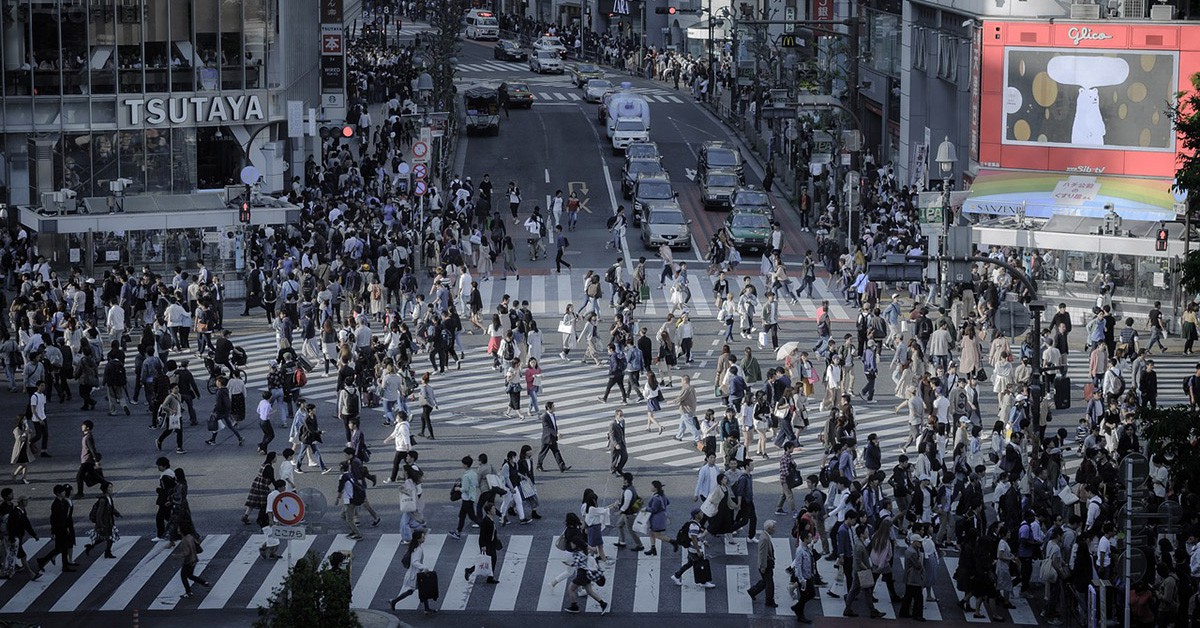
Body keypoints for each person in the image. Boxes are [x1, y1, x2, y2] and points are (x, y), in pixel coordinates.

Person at [388, 529, 437, 614]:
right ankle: (394, 601)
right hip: (415, 574)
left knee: (422, 589)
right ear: (418, 539)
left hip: (416, 573)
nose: (424, 538)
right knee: (419, 590)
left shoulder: (414, 547)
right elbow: (414, 562)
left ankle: (426, 609)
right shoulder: (418, 549)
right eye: (422, 537)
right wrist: (424, 567)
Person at [36, 484, 78, 573]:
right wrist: (54, 531)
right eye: (62, 491)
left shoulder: (62, 502)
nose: (64, 492)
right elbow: (54, 519)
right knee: (62, 547)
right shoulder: (56, 504)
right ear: (58, 493)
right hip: (60, 529)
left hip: (62, 528)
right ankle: (64, 566)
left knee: (61, 548)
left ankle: (44, 560)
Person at [671, 507, 715, 588]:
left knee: (690, 563)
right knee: (701, 564)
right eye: (700, 513)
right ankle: (703, 582)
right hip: (694, 550)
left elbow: (697, 537)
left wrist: (703, 542)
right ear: (696, 515)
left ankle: (676, 576)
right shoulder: (694, 526)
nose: (702, 514)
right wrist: (698, 551)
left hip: (692, 549)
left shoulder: (695, 524)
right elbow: (694, 539)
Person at [463, 501, 501, 584]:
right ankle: (470, 571)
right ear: (489, 511)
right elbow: (482, 535)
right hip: (487, 544)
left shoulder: (490, 519)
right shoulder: (486, 521)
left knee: (492, 559)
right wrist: (483, 546)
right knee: (488, 560)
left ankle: (490, 577)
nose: (495, 510)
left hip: (491, 544)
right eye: (493, 509)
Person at [84, 481, 120, 558]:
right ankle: (92, 547)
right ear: (105, 489)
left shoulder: (109, 497)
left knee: (109, 537)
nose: (111, 489)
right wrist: (100, 525)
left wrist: (116, 513)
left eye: (111, 487)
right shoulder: (102, 500)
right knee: (105, 537)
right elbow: (99, 514)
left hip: (109, 521)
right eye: (110, 487)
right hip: (105, 522)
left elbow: (111, 507)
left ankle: (107, 552)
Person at [746, 519, 777, 608]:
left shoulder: (765, 536)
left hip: (766, 563)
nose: (775, 529)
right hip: (766, 564)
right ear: (769, 528)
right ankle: (769, 601)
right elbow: (762, 554)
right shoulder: (764, 539)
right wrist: (763, 566)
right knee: (769, 584)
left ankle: (753, 591)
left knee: (765, 581)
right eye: (773, 528)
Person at [611, 472, 644, 552]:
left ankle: (640, 545)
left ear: (626, 480)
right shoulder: (631, 488)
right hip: (627, 513)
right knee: (619, 524)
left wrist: (620, 511)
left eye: (623, 479)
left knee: (631, 530)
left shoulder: (628, 491)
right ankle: (622, 542)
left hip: (629, 514)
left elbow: (626, 503)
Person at [175, 524, 210, 598]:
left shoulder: (184, 540)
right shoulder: (190, 537)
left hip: (188, 561)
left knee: (183, 577)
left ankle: (188, 592)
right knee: (190, 575)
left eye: (179, 529)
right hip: (194, 559)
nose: (177, 530)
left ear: (181, 531)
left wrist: (177, 556)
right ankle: (204, 582)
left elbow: (186, 552)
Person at [537, 401, 571, 472]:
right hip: (547, 438)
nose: (554, 407)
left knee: (556, 452)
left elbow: (554, 426)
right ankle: (539, 466)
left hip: (552, 438)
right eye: (553, 406)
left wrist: (556, 433)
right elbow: (547, 428)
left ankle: (562, 466)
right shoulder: (545, 417)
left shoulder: (553, 415)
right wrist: (556, 434)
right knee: (543, 453)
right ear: (548, 408)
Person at [608, 409, 628, 475]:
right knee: (614, 458)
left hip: (622, 442)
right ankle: (613, 470)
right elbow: (612, 436)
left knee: (625, 456)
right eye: (620, 415)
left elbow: (623, 433)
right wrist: (616, 444)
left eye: (622, 415)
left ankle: (619, 468)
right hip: (615, 444)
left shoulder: (623, 421)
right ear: (616, 416)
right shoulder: (612, 424)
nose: (622, 417)